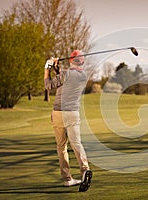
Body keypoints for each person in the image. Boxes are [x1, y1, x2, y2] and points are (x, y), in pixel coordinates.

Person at [44, 50, 92, 192]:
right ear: (82, 62)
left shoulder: (65, 74)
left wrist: (47, 68)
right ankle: (85, 170)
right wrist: (57, 68)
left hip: (58, 113)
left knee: (61, 146)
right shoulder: (83, 76)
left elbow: (48, 85)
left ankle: (67, 179)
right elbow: (63, 79)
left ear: (71, 61)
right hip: (72, 113)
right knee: (76, 143)